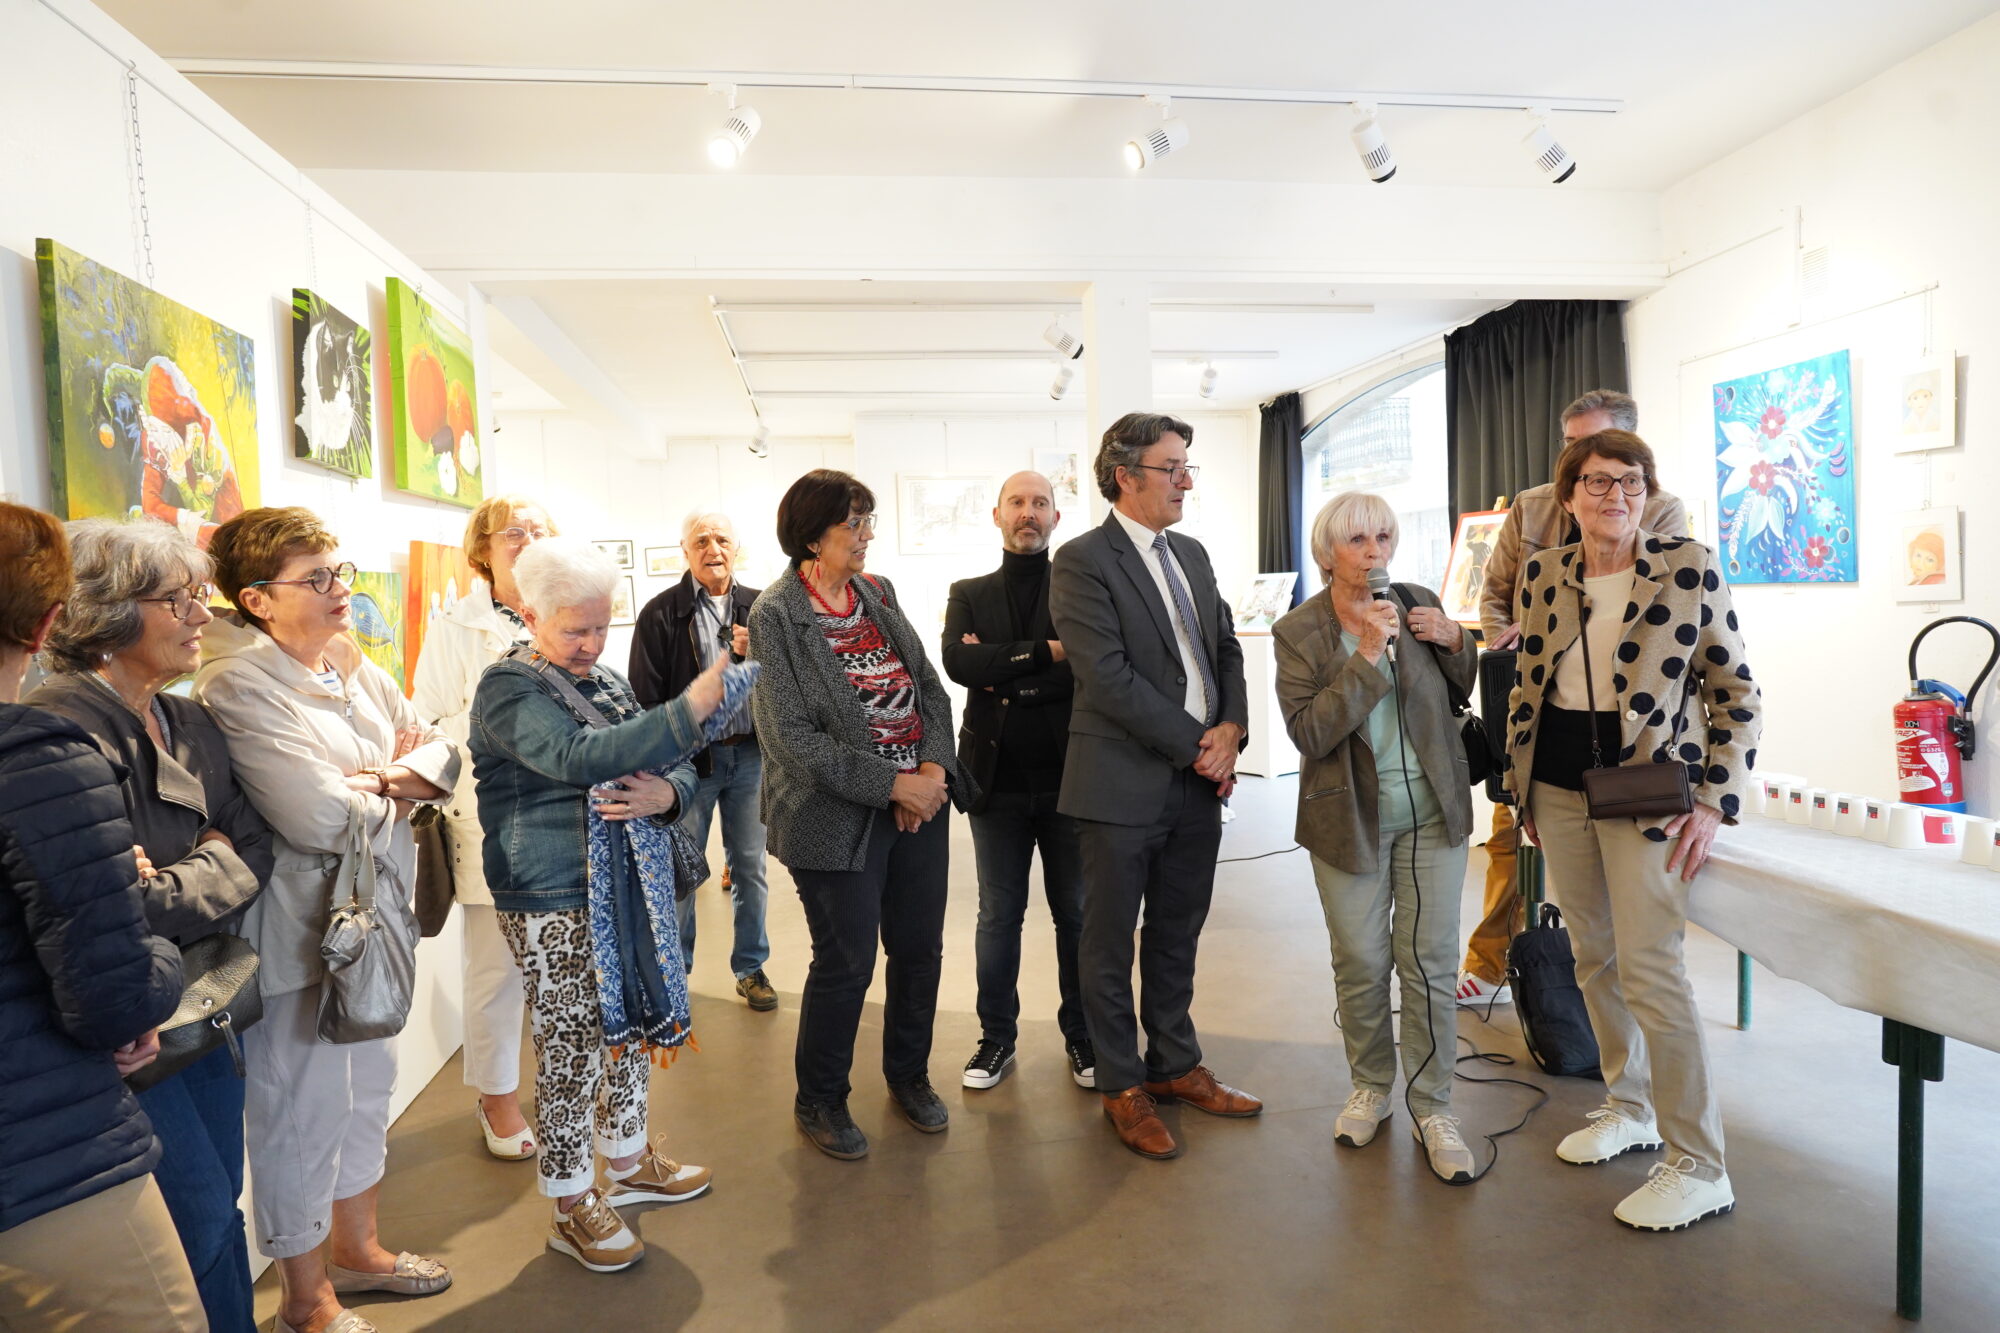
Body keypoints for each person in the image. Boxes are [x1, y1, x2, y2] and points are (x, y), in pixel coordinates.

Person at [193, 507, 461, 1333]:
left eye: (338, 570)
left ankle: (358, 1249)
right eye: (315, 577)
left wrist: (376, 781)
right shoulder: (236, 683)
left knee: (368, 1089)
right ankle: (305, 1300)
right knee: (301, 1109)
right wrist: (397, 786)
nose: (339, 588)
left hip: (377, 918)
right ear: (257, 599)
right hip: (298, 931)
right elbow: (314, 815)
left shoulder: (346, 660)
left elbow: (441, 748)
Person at [1505, 429, 1761, 1231]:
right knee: (1594, 956)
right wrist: (1520, 792)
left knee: (1653, 968)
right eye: (1597, 481)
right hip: (1557, 787)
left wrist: (1715, 799)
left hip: (1647, 791)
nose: (1614, 496)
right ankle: (1630, 1104)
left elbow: (1736, 694)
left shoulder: (1688, 567)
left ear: (1647, 492)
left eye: (1630, 481)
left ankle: (1700, 1163)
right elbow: (1528, 686)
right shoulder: (1546, 572)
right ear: (1569, 494)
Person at [29, 518, 274, 1331]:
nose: (202, 614)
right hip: (125, 1032)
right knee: (196, 1221)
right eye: (177, 599)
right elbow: (113, 906)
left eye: (198, 595)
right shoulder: (60, 728)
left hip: (209, 1003)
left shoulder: (188, 719)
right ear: (104, 612)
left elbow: (254, 847)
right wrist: (207, 859)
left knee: (221, 1207)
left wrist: (173, 873)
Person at [471, 537, 736, 1273]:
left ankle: (626, 1157)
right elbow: (578, 757)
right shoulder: (508, 688)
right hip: (552, 890)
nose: (591, 644)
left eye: (600, 626)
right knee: (572, 1043)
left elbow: (672, 761)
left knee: (631, 1021)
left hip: (622, 881)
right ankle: (570, 1201)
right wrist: (690, 708)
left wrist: (668, 793)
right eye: (574, 630)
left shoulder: (608, 679)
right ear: (530, 616)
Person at [0, 502, 199, 1332]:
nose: (198, 617)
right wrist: (162, 967)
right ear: (50, 621)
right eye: (176, 599)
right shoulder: (37, 756)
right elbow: (114, 996)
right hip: (45, 1161)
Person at [1049, 413, 1258, 1161]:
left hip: (1198, 783)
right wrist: (1198, 746)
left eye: (1188, 467)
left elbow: (1224, 648)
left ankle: (1174, 1063)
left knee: (1178, 929)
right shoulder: (1081, 560)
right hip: (1119, 785)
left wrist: (1231, 729)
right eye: (1173, 468)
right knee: (1107, 941)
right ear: (1125, 476)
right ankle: (1122, 1083)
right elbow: (1106, 677)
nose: (1186, 482)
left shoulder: (1192, 554)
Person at [748, 470, 971, 1161]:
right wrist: (892, 786)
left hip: (920, 802)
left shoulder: (878, 592)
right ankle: (820, 1099)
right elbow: (790, 737)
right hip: (832, 817)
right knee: (846, 963)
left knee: (919, 949)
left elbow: (929, 687)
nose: (868, 534)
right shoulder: (776, 615)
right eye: (855, 523)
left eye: (869, 520)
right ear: (812, 535)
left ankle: (908, 1075)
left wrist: (930, 772)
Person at [1272, 493, 1479, 1184]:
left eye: (1384, 537)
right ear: (1327, 552)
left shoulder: (1414, 600)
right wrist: (1365, 655)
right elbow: (1309, 732)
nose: (1375, 552)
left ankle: (1433, 1105)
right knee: (1362, 961)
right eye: (1358, 540)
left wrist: (1456, 640)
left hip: (1433, 812)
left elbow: (1460, 683)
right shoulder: (1298, 631)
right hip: (1348, 819)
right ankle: (1370, 1085)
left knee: (1431, 963)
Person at [1459, 390, 1687, 1008]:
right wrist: (1515, 636)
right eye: (1571, 445)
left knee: (1633, 911)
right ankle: (1491, 960)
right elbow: (1495, 594)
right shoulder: (1532, 505)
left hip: (1627, 724)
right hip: (1540, 708)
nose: (1583, 459)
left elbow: (1667, 609)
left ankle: (1616, 1005)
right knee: (1508, 836)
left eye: (1596, 443)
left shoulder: (1662, 509)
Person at [410, 493, 558, 1161]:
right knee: (496, 970)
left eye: (540, 531)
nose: (529, 541)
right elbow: (428, 722)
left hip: (564, 817)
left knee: (563, 965)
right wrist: (505, 732)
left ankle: (564, 1087)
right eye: (514, 533)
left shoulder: (564, 609)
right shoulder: (456, 626)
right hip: (491, 815)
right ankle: (497, 1097)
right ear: (484, 550)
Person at [941, 471, 1091, 1091]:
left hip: (1071, 781)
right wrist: (1049, 651)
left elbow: (1092, 668)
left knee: (1075, 916)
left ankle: (1083, 1036)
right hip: (994, 783)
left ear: (1056, 517)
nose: (1028, 512)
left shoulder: (1081, 588)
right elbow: (957, 662)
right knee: (999, 916)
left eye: (1040, 503)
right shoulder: (968, 592)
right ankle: (996, 1040)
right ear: (998, 515)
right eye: (1018, 503)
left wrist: (1000, 670)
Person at [628, 509, 776, 1012]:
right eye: (702, 541)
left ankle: (751, 968)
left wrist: (761, 655)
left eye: (722, 540)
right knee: (681, 871)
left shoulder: (763, 608)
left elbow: (790, 682)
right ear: (686, 551)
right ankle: (675, 975)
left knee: (750, 867)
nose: (714, 549)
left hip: (751, 756)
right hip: (688, 765)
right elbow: (645, 697)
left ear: (737, 548)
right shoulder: (660, 613)